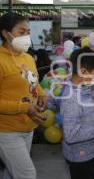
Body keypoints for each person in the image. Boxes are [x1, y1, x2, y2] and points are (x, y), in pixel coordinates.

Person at [0, 12, 48, 179]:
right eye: (21, 32)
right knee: (26, 174)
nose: (27, 36)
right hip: (6, 131)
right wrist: (24, 107)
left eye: (28, 32)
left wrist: (42, 95)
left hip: (28, 128)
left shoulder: (28, 58)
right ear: (6, 33)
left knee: (11, 173)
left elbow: (33, 83)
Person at [61, 47, 94, 179]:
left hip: (88, 152)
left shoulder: (82, 88)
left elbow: (81, 114)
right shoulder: (72, 98)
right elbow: (71, 135)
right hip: (81, 157)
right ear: (83, 71)